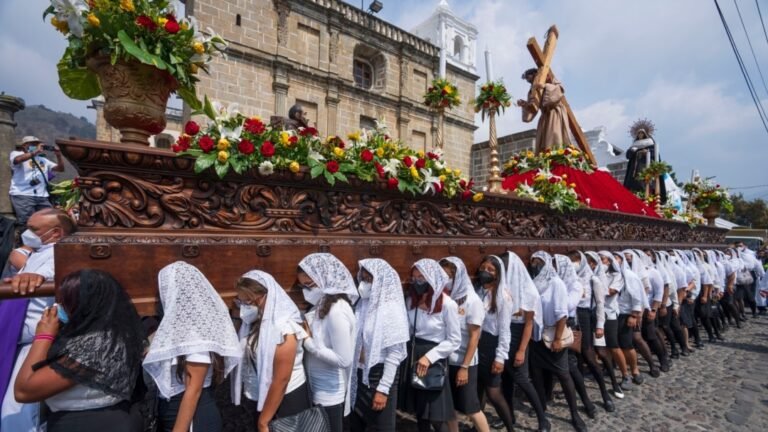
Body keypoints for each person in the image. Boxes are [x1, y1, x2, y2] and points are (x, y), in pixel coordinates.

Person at [13, 270, 145, 432]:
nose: (58, 307)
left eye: (65, 302)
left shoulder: (96, 345)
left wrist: (43, 336)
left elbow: (24, 391)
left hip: (89, 423)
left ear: (84, 306)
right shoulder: (112, 331)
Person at [1, 208, 76, 432]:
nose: (27, 233)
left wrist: (39, 277)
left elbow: (58, 272)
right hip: (16, 337)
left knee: (18, 414)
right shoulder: (39, 249)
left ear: (55, 233)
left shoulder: (61, 254)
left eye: (34, 229)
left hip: (35, 344)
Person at [143, 261, 241, 432]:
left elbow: (193, 389)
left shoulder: (195, 334)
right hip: (176, 410)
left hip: (193, 416)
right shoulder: (177, 328)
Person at [231, 270, 310, 432]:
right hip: (261, 397)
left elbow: (281, 380)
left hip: (285, 401)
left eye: (250, 301)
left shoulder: (284, 328)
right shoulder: (252, 323)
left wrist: (264, 421)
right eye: (242, 302)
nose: (246, 307)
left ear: (268, 296)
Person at [297, 253, 358, 432]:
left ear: (325, 279)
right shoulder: (321, 305)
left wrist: (307, 342)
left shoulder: (337, 311)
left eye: (309, 285)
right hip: (317, 386)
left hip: (330, 392)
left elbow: (343, 359)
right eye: (302, 285)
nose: (305, 290)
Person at [528, 251, 587, 432]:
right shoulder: (534, 283)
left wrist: (558, 339)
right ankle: (542, 408)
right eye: (533, 262)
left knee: (563, 374)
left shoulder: (556, 283)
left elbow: (562, 314)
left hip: (553, 333)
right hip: (537, 335)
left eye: (538, 262)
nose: (535, 265)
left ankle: (574, 414)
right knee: (537, 373)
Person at [401, 258, 461, 432]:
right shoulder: (411, 301)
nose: (418, 281)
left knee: (436, 414)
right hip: (414, 354)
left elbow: (454, 340)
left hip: (433, 357)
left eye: (422, 277)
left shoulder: (448, 305)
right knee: (420, 413)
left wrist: (429, 358)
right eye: (415, 278)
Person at [350, 258, 409, 432]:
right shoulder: (362, 304)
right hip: (359, 373)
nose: (364, 284)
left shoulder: (391, 309)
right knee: (357, 423)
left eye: (369, 280)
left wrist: (383, 390)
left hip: (379, 375)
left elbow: (395, 354)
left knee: (382, 426)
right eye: (363, 279)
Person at [500, 251, 549, 432]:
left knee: (521, 378)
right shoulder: (502, 286)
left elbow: (528, 324)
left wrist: (521, 350)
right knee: (504, 378)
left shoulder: (528, 291)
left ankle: (542, 418)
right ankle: (508, 415)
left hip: (518, 333)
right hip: (502, 332)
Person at [438, 257, 489, 432]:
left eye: (448, 276)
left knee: (471, 408)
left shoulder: (472, 301)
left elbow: (474, 337)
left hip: (464, 362)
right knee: (449, 406)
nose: (445, 280)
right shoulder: (445, 298)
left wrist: (464, 367)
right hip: (447, 360)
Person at [567, 251, 615, 412]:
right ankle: (582, 396)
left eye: (576, 261)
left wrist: (600, 325)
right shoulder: (569, 277)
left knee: (589, 355)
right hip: (571, 317)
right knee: (574, 358)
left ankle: (605, 393)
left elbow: (600, 303)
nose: (573, 264)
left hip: (585, 316)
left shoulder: (593, 279)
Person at [474, 256, 515, 432]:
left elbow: (505, 330)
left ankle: (510, 426)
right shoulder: (479, 291)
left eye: (491, 270)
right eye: (484, 268)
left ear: (498, 274)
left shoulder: (502, 297)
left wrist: (500, 357)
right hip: (478, 344)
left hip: (492, 345)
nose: (486, 272)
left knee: (494, 392)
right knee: (479, 389)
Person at [9, 136, 65, 227]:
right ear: (24, 145)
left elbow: (60, 169)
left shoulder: (43, 159)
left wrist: (59, 155)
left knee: (49, 220)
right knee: (26, 222)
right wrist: (35, 151)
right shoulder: (16, 153)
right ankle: (26, 240)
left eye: (37, 144)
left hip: (42, 196)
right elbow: (17, 160)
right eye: (33, 144)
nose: (36, 145)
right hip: (23, 195)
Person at [517, 67, 571, 153]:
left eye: (531, 80)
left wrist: (545, 86)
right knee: (543, 140)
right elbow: (532, 110)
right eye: (529, 82)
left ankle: (558, 158)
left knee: (555, 136)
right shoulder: (532, 91)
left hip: (555, 112)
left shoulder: (550, 79)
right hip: (545, 116)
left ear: (536, 75)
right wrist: (525, 105)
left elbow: (560, 89)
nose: (531, 83)